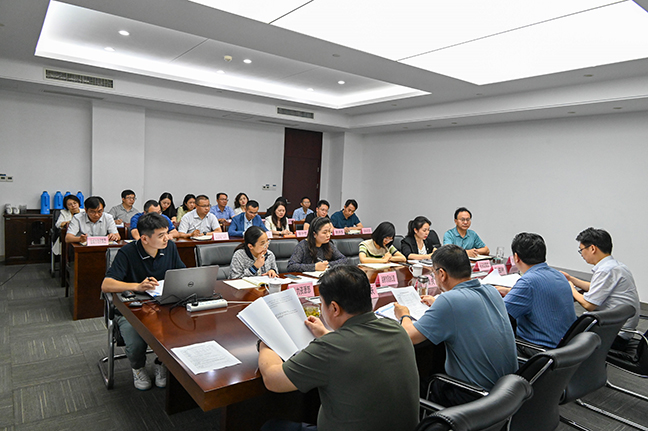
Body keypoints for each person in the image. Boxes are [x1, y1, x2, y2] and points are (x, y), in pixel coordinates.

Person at [258, 265, 419, 431]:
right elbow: (358, 346)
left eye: (322, 303)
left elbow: (273, 379)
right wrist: (325, 333)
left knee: (272, 427)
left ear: (334, 308)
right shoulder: (396, 329)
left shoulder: (329, 348)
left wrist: (266, 342)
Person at [394, 244, 517, 407]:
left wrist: (404, 314)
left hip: (473, 397)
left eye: (433, 273)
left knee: (407, 384)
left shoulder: (450, 301)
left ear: (442, 274)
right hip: (506, 392)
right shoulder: (491, 291)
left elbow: (409, 336)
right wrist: (438, 303)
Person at [101, 212, 185, 390]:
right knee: (136, 341)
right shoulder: (127, 252)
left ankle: (161, 362)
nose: (167, 238)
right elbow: (106, 285)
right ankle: (138, 368)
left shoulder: (170, 247)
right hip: (132, 308)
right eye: (161, 235)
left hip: (163, 304)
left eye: (167, 233)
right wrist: (137, 286)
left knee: (182, 327)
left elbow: (181, 273)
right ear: (144, 239)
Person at [561, 228, 640, 351]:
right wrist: (571, 279)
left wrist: (571, 288)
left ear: (592, 248)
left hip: (613, 335)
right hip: (620, 329)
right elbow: (596, 287)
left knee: (563, 324)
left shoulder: (606, 270)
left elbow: (589, 305)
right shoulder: (616, 266)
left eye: (581, 250)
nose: (581, 254)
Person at [496, 233, 576, 351]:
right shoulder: (558, 275)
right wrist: (510, 291)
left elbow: (498, 314)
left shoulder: (528, 282)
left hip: (538, 349)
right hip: (565, 347)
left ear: (516, 257)